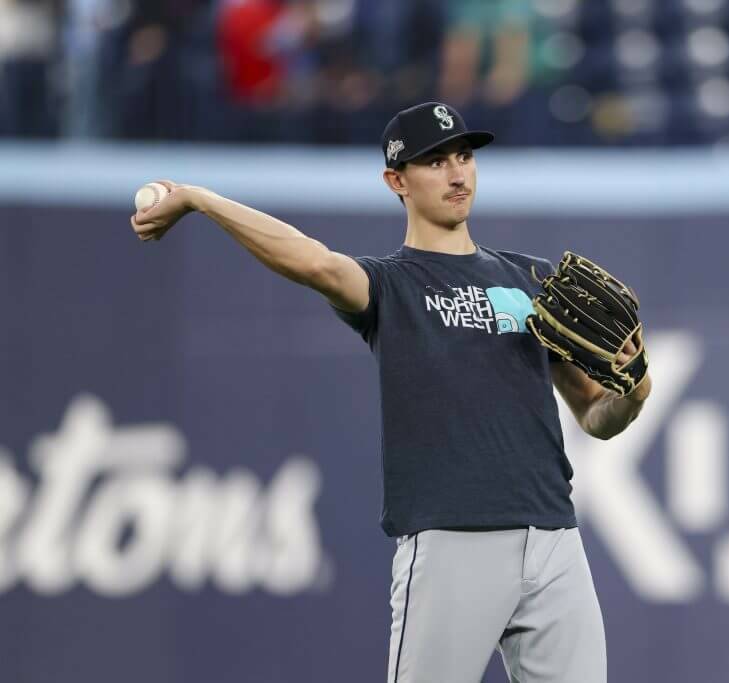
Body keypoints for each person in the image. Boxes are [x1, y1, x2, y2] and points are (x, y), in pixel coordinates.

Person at [129, 101, 651, 683]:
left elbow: (595, 417)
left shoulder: (528, 279)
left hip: (555, 540)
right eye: (435, 162)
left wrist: (635, 390)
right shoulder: (390, 286)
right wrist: (202, 198)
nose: (457, 173)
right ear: (395, 181)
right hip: (452, 542)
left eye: (464, 156)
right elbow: (314, 263)